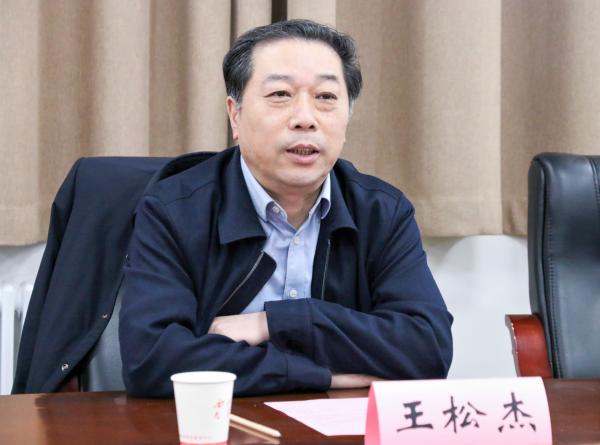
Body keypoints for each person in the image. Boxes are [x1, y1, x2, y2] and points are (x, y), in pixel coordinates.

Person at [119, 19, 453, 397]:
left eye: (326, 97)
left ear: (347, 116)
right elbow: (152, 359)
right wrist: (317, 375)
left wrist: (276, 323)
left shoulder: (382, 211)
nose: (305, 119)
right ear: (235, 115)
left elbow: (428, 348)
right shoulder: (174, 211)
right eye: (280, 94)